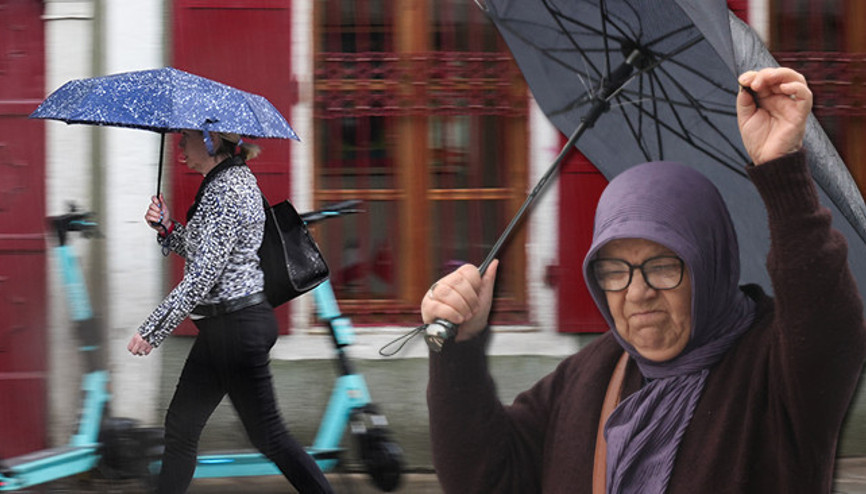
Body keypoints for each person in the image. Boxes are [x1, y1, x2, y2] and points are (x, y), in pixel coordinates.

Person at [421, 67, 866, 493]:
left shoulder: (777, 370)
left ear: (709, 265)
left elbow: (827, 322)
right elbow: (486, 478)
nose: (637, 293)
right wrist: (457, 348)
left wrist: (782, 169)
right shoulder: (590, 376)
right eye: (613, 271)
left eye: (662, 266)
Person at [126, 129, 334, 494]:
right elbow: (205, 251)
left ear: (210, 141)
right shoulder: (223, 183)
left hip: (236, 327)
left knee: (268, 435)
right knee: (182, 427)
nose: (179, 150)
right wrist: (168, 228)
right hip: (227, 326)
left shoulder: (229, 191)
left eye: (185, 140)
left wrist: (152, 330)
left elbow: (204, 274)